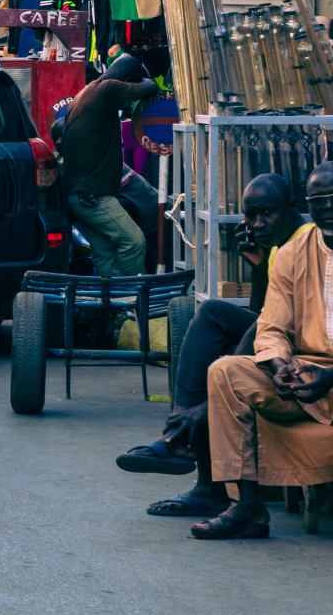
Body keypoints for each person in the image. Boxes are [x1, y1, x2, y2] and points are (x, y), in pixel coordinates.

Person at [116, 173, 309, 518]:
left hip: (301, 348)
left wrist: (224, 381)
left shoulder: (304, 243)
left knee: (217, 325)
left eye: (268, 213)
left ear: (292, 208)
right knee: (213, 316)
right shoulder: (280, 244)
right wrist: (258, 268)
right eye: (251, 216)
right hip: (279, 336)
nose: (258, 223)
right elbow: (265, 313)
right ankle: (187, 444)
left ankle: (180, 440)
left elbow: (275, 325)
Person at [189, 161, 333, 539]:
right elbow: (270, 326)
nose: (329, 208)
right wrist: (279, 365)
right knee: (225, 370)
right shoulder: (292, 253)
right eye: (321, 202)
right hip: (304, 374)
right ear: (309, 206)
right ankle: (247, 507)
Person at [60, 53, 158, 277]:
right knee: (133, 241)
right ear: (126, 79)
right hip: (93, 194)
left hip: (83, 192)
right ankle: (132, 297)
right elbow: (150, 87)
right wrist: (140, 80)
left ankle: (112, 306)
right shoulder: (107, 89)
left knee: (105, 253)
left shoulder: (86, 92)